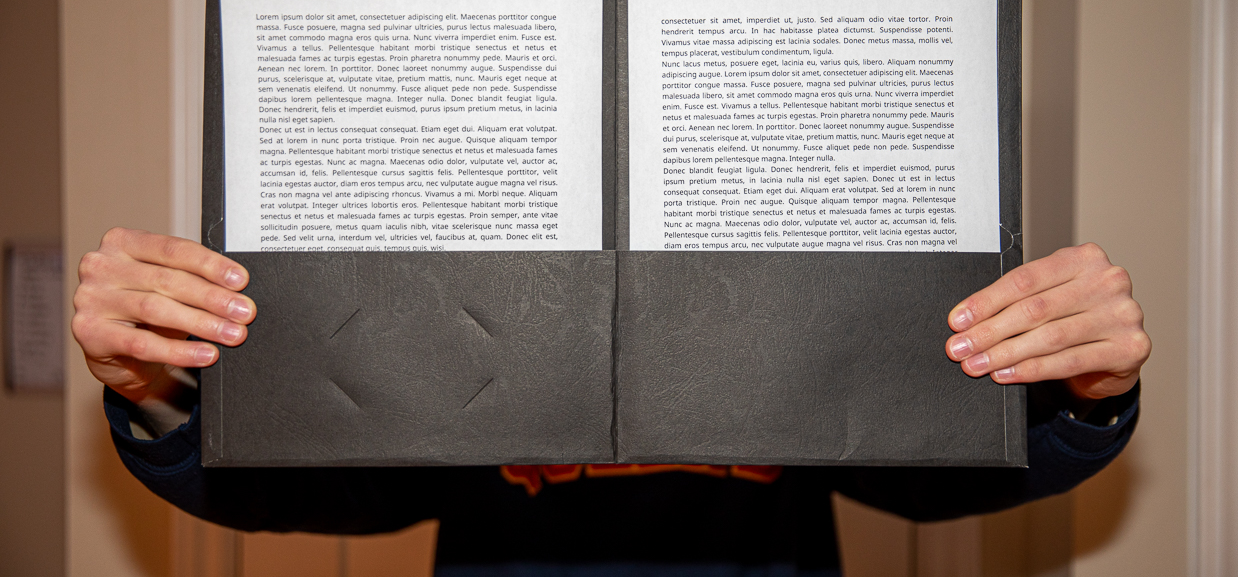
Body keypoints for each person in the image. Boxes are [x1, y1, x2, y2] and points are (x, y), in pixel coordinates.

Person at [73, 228, 1149, 576]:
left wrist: (1084, 392)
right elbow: (306, 481)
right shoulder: (467, 299)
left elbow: (938, 466)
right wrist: (155, 387)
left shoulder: (790, 282)